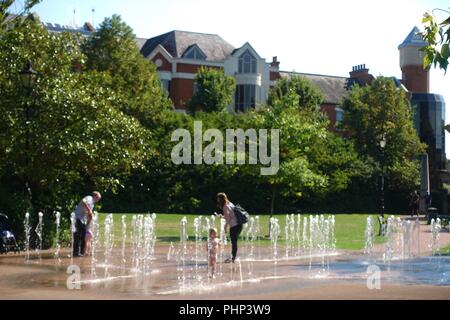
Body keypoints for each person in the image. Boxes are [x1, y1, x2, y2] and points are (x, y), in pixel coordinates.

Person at [73, 191, 101, 257]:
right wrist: (89, 210)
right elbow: (83, 201)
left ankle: (82, 252)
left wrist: (90, 218)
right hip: (78, 218)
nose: (98, 200)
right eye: (98, 198)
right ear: (94, 196)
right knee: (77, 236)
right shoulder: (89, 198)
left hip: (82, 220)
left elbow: (88, 214)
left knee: (83, 236)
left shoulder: (92, 203)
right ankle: (75, 253)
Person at [217, 192, 242, 263]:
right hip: (239, 224)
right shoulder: (230, 203)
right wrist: (222, 216)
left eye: (218, 199)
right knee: (234, 242)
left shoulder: (225, 206)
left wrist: (225, 227)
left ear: (221, 199)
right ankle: (232, 257)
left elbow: (228, 218)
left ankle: (232, 258)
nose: (218, 200)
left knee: (234, 242)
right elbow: (230, 215)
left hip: (234, 226)